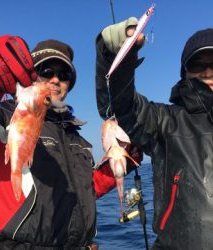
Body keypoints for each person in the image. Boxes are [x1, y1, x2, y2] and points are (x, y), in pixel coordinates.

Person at [0, 35, 142, 249]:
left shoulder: (77, 137)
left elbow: (85, 188)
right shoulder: (1, 117)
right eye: (46, 71)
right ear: (29, 76)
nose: (56, 80)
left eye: (64, 75)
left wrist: (123, 162)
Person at [96, 15, 213, 250]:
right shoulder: (163, 121)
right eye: (197, 64)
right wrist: (116, 57)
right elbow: (120, 106)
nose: (208, 71)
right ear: (184, 72)